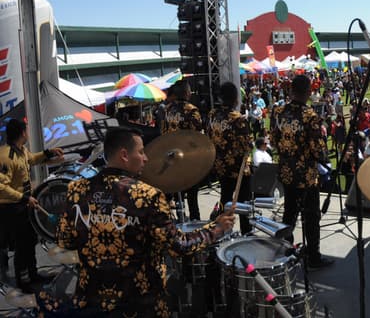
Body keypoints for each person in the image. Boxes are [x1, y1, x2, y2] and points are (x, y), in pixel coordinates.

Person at [47, 127, 235, 316]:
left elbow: (65, 240)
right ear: (124, 155)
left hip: (92, 300)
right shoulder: (147, 195)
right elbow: (180, 246)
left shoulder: (76, 190)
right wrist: (216, 228)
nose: (145, 158)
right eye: (141, 152)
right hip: (140, 303)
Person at [270, 75, 335, 269]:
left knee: (289, 213)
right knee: (311, 216)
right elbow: (318, 150)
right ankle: (313, 256)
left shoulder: (278, 112)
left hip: (286, 171)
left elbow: (273, 140)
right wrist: (323, 157)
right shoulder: (310, 116)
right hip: (306, 176)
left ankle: (287, 252)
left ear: (291, 91)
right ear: (308, 92)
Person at [0, 119, 63, 292]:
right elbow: (1, 186)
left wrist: (49, 153)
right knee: (21, 245)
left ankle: (33, 274)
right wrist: (23, 198)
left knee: (30, 241)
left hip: (23, 204)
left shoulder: (22, 150)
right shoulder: (6, 156)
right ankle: (23, 282)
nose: (28, 133)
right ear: (22, 133)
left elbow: (32, 159)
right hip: (12, 208)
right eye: (27, 130)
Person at [209, 82, 254, 234]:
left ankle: (221, 231)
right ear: (235, 99)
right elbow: (247, 145)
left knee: (225, 198)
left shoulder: (213, 115)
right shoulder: (238, 119)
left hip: (221, 166)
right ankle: (246, 232)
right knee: (243, 202)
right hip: (238, 168)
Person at [158, 79, 204, 220]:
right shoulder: (192, 110)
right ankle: (194, 220)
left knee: (178, 191)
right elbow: (197, 137)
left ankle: (179, 218)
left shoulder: (167, 110)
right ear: (187, 93)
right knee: (192, 194)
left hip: (171, 156)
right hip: (188, 158)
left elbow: (163, 132)